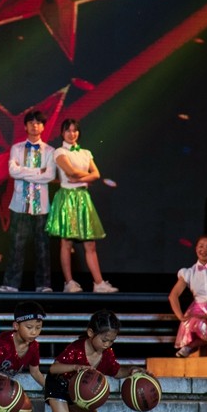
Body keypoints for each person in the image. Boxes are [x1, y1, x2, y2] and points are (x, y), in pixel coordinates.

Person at [47, 118, 116, 293]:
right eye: (68, 130)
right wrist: (86, 177)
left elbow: (97, 174)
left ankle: (99, 283)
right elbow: (70, 172)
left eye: (75, 130)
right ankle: (69, 282)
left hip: (83, 198)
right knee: (66, 242)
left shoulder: (86, 152)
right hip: (67, 197)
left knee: (90, 244)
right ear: (62, 133)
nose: (72, 134)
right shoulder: (59, 152)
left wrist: (80, 179)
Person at [0, 110, 55, 293]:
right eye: (31, 122)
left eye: (38, 123)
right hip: (19, 204)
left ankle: (44, 284)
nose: (34, 126)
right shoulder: (17, 148)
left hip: (41, 206)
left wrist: (24, 171)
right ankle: (11, 284)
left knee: (42, 247)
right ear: (25, 126)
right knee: (16, 245)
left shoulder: (50, 151)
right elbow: (12, 172)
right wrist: (38, 171)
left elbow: (49, 176)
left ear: (43, 127)